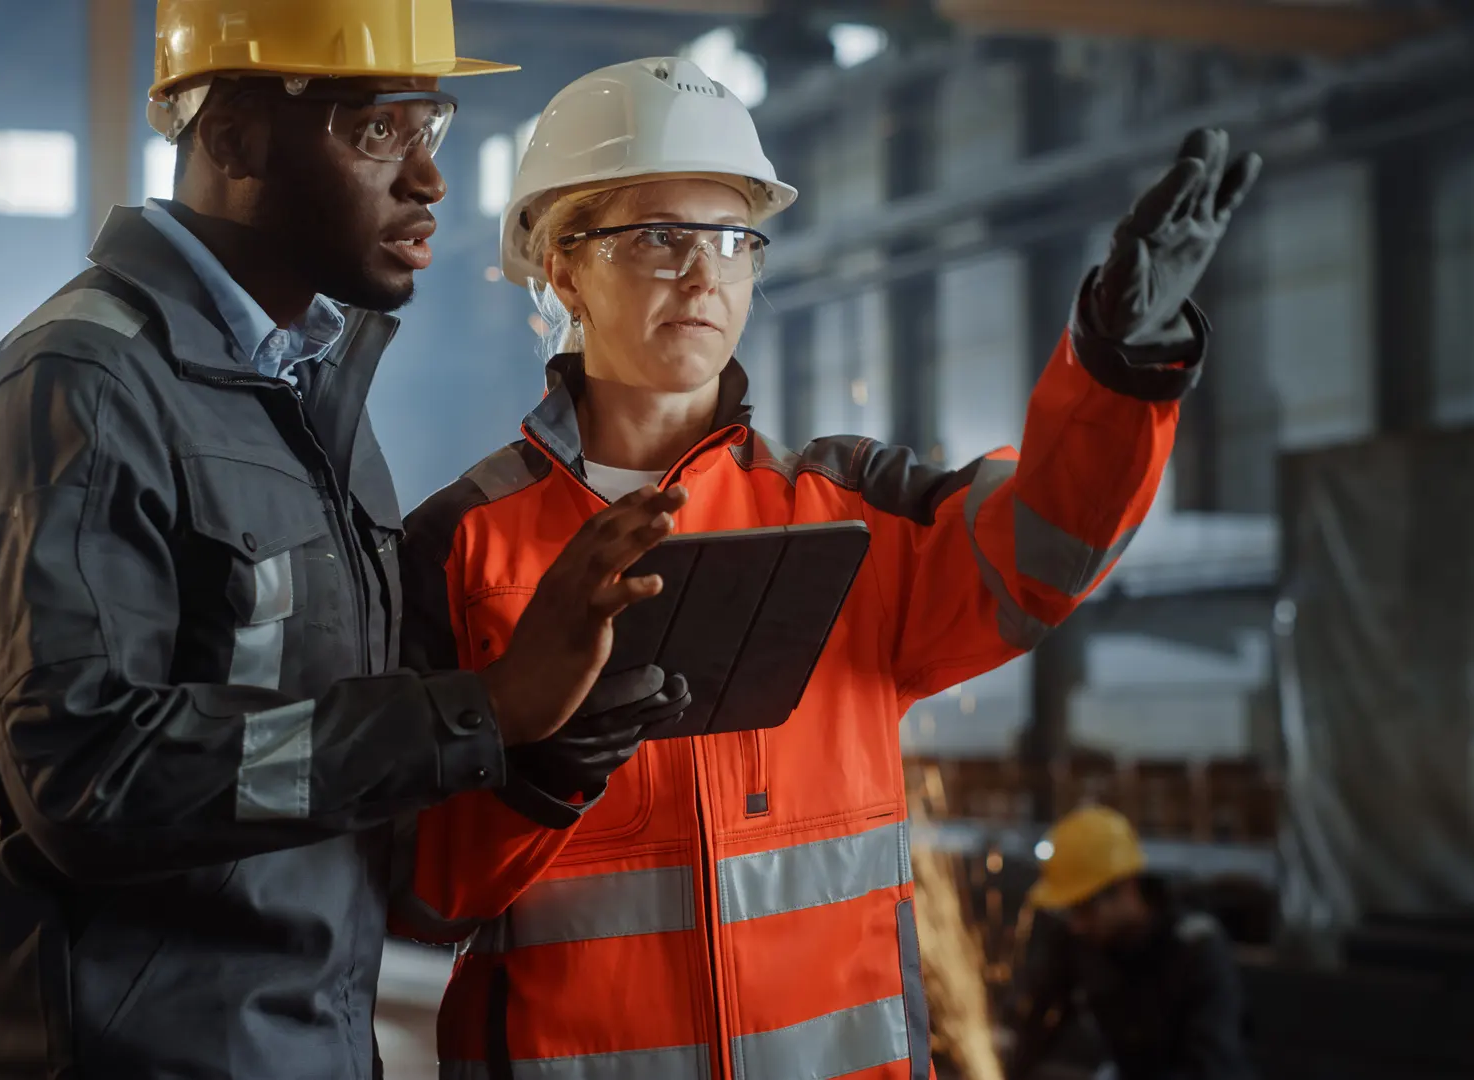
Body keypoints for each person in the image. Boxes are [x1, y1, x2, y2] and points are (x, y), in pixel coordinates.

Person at [393, 55, 1261, 1077]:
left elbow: (1044, 549)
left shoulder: (852, 515)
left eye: (732, 239)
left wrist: (1117, 370)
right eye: (659, 235)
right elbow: (414, 891)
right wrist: (535, 769)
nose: (704, 272)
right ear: (563, 266)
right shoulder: (459, 549)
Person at [0, 4, 691, 1078]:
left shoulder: (302, 392)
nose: (427, 179)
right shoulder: (86, 388)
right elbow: (91, 781)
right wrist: (480, 710)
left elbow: (312, 754)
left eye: (432, 125)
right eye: (378, 132)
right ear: (233, 136)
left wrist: (532, 749)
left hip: (312, 1045)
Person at [1005, 807, 1254, 1080]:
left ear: (1126, 887)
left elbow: (1211, 1068)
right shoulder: (1081, 941)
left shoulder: (1197, 950)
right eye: (1071, 912)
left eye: (1085, 910)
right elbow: (1038, 1023)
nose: (1077, 924)